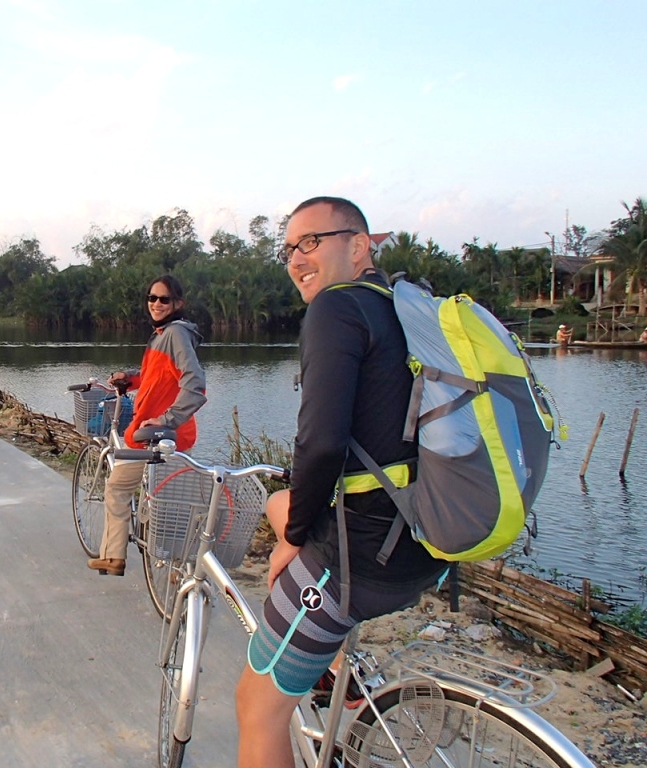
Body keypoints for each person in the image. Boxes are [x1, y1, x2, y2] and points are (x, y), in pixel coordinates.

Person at [234, 197, 446, 768]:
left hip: (362, 557)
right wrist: (293, 516)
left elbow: (322, 443)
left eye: (311, 242)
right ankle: (330, 667)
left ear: (358, 245)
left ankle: (318, 655)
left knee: (257, 708)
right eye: (288, 249)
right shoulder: (405, 308)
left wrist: (292, 540)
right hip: (428, 543)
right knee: (281, 500)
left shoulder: (336, 308)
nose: (296, 259)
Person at [87, 275, 207, 576]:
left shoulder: (174, 335)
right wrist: (130, 378)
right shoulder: (165, 333)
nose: (156, 303)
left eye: (163, 299)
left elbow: (195, 385)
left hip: (153, 438)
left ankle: (113, 556)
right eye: (151, 298)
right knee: (168, 499)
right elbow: (160, 375)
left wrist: (167, 420)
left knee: (116, 489)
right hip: (172, 436)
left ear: (178, 303)